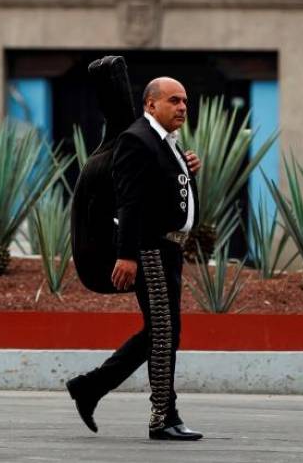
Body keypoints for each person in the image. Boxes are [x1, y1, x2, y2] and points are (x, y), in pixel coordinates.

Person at [66, 76, 204, 441]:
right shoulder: (136, 140)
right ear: (150, 105)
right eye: (174, 100)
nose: (182, 107)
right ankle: (163, 416)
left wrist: (187, 171)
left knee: (163, 331)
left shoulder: (166, 143)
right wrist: (127, 255)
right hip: (150, 249)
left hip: (169, 249)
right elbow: (129, 202)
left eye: (185, 101)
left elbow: (161, 192)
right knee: (163, 333)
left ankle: (90, 387)